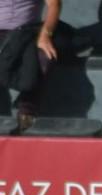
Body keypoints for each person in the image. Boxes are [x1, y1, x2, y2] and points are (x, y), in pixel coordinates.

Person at [0, 0, 61, 131]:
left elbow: (54, 4)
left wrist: (45, 35)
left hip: (28, 32)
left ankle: (27, 111)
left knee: (45, 55)